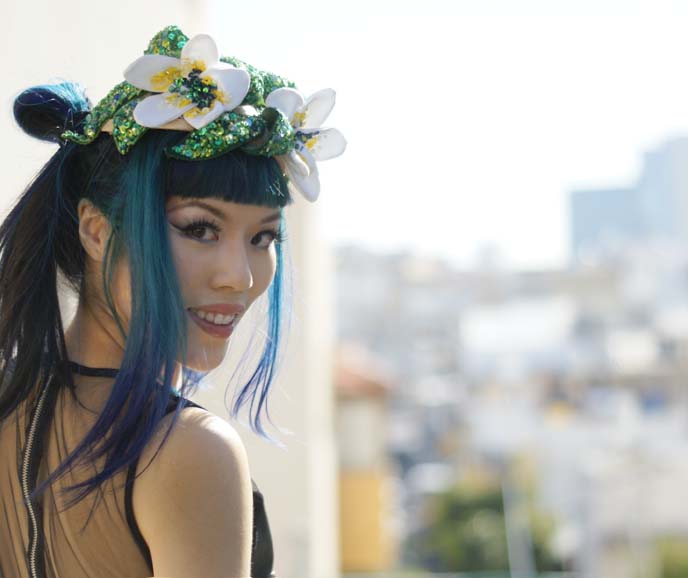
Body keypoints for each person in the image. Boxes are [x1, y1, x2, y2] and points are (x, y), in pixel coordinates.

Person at [0, 25, 345, 578]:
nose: (239, 277)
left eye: (263, 238)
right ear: (95, 230)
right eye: (200, 228)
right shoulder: (186, 450)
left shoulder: (10, 402)